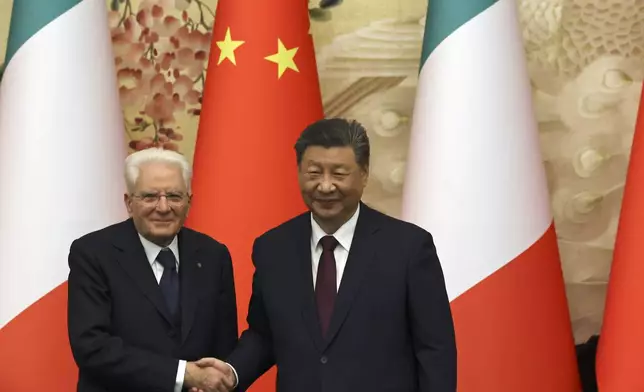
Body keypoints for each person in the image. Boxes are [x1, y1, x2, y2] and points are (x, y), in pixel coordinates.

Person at [195, 118, 457, 392]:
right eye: (314, 173)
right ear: (299, 172)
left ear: (364, 173)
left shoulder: (408, 248)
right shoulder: (273, 248)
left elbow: (434, 350)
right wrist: (230, 373)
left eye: (339, 174)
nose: (325, 186)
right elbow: (264, 334)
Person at [67, 148, 239, 392]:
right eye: (149, 197)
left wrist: (213, 382)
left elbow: (224, 347)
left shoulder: (213, 255)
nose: (163, 207)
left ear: (189, 202)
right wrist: (183, 375)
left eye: (174, 196)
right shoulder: (93, 253)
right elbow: (92, 347)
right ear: (129, 203)